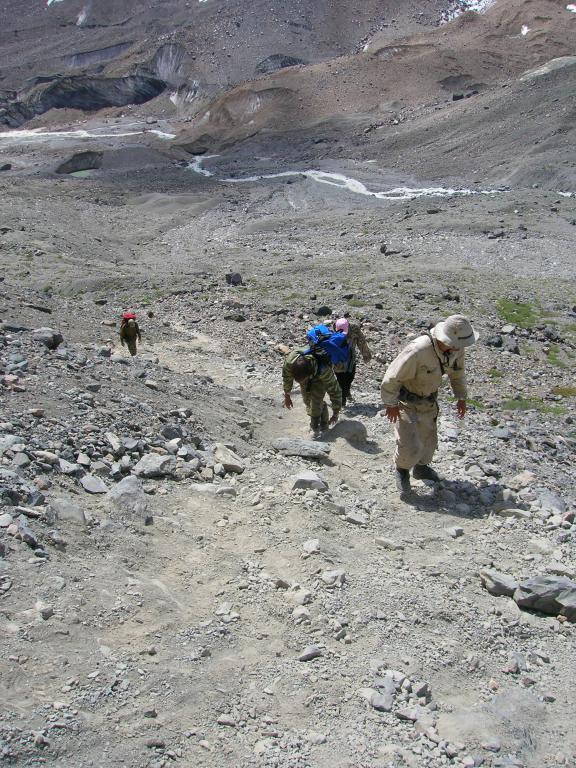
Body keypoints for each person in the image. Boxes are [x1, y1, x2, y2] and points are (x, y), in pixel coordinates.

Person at [381, 314, 478, 494]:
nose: (460, 348)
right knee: (409, 444)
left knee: (429, 441)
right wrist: (390, 403)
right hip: (406, 403)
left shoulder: (457, 348)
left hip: (429, 402)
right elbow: (392, 377)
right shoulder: (418, 350)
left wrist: (461, 397)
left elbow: (457, 373)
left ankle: (421, 468)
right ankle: (402, 471)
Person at [283, 348, 342, 437]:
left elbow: (334, 390)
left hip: (318, 378)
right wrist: (287, 395)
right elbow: (287, 378)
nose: (299, 384)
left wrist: (336, 412)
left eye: (302, 381)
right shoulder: (290, 363)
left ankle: (319, 427)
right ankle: (320, 410)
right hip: (305, 373)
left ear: (308, 375)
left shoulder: (324, 370)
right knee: (307, 401)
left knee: (316, 402)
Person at [332, 317, 372, 407]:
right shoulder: (332, 331)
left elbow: (361, 341)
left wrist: (366, 355)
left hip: (350, 358)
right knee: (342, 380)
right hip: (338, 360)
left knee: (350, 377)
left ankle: (346, 393)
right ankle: (341, 402)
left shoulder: (354, 329)